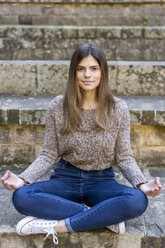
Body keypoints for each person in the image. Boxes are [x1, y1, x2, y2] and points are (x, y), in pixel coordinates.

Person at [1, 43, 162, 245]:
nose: (87, 74)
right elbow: (49, 154)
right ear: (74, 72)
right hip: (65, 179)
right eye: (81, 69)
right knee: (22, 197)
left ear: (102, 72)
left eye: (94, 69)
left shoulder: (118, 109)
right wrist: (23, 179)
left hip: (102, 182)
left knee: (138, 200)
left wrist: (141, 183)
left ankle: (60, 225)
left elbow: (124, 157)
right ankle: (102, 217)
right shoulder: (58, 106)